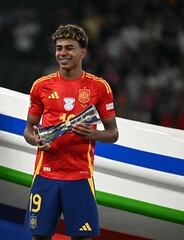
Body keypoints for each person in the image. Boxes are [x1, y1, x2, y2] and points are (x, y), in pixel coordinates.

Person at [24, 24, 119, 240]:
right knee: (39, 236)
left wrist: (91, 133)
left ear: (83, 51)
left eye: (69, 48)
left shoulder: (99, 87)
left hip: (80, 175)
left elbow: (113, 133)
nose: (63, 53)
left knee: (82, 238)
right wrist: (36, 140)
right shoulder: (41, 86)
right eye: (59, 48)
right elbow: (29, 129)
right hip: (45, 174)